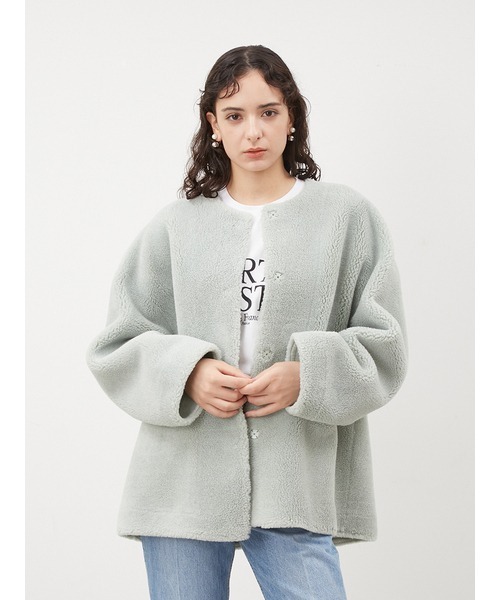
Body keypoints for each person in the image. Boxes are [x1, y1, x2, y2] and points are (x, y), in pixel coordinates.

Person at [86, 45, 409, 600]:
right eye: (234, 116)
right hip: (183, 481)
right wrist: (188, 373)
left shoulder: (346, 217)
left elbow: (387, 344)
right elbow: (117, 342)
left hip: (294, 477)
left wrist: (307, 374)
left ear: (292, 118)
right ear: (213, 125)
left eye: (269, 112)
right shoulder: (175, 226)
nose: (252, 131)